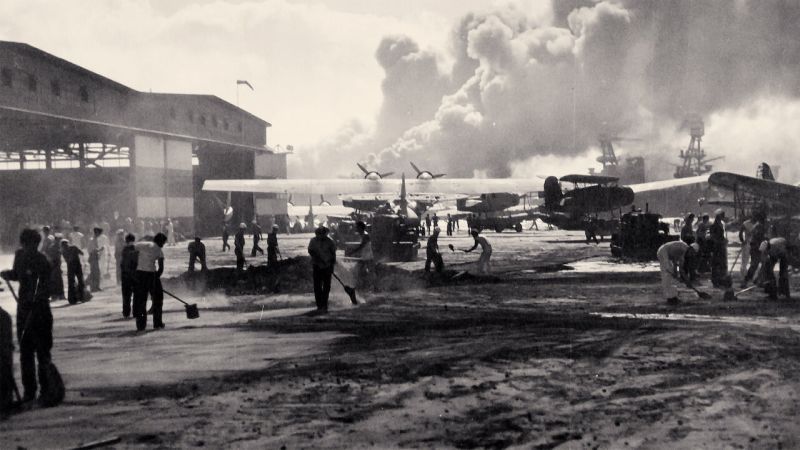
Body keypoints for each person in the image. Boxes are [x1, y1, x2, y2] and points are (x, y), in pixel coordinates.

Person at [1, 229, 53, 403]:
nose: (25, 246)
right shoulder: (21, 257)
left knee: (42, 351)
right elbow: (17, 274)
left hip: (40, 310)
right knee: (26, 352)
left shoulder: (42, 261)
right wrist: (7, 274)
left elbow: (46, 286)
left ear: (35, 244)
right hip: (24, 310)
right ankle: (30, 391)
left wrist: (35, 298)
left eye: (28, 244)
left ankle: (46, 389)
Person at [133, 233, 167, 331]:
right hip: (151, 274)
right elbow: (161, 268)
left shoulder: (141, 244)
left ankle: (141, 325)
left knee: (141, 300)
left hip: (139, 274)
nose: (163, 245)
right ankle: (157, 323)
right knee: (158, 299)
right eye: (163, 243)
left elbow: (130, 251)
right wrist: (156, 279)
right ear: (160, 241)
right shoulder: (159, 250)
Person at [307, 226, 337, 314]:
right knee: (317, 286)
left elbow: (333, 254)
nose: (321, 236)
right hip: (316, 265)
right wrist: (317, 257)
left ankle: (324, 304)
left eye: (323, 234)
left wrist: (331, 265)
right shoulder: (313, 241)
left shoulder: (330, 242)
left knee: (327, 286)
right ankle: (319, 305)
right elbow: (310, 250)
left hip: (327, 266)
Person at [742, 213, 767, 288]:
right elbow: (757, 237)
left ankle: (758, 279)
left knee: (763, 264)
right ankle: (746, 280)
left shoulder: (758, 225)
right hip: (756, 247)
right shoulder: (758, 226)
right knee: (754, 265)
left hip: (758, 247)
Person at [61, 240, 86, 305]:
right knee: (80, 281)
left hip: (71, 267)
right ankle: (81, 297)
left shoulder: (64, 251)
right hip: (77, 266)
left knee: (72, 283)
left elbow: (68, 260)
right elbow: (82, 253)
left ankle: (73, 299)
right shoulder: (74, 247)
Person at [352, 221, 375, 288]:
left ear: (360, 227)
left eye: (357, 227)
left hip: (368, 257)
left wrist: (353, 252)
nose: (356, 228)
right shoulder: (363, 235)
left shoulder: (365, 235)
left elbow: (362, 246)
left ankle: (370, 286)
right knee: (359, 271)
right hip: (365, 256)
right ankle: (364, 285)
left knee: (368, 272)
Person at [120, 234, 138, 318]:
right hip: (135, 274)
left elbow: (122, 263)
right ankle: (135, 311)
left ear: (126, 240)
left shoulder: (124, 250)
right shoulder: (137, 248)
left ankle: (126, 312)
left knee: (126, 295)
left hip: (125, 275)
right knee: (136, 294)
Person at [709, 209, 728, 288]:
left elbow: (721, 236)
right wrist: (719, 242)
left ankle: (721, 280)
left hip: (721, 246)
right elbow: (713, 237)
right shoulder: (714, 226)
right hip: (717, 247)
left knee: (722, 264)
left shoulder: (721, 224)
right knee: (716, 264)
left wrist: (724, 240)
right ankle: (715, 281)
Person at [86, 227, 105, 292]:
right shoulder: (92, 240)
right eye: (99, 233)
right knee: (94, 273)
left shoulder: (94, 240)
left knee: (96, 272)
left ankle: (95, 286)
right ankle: (93, 287)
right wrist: (100, 249)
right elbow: (93, 250)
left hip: (94, 257)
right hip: (93, 257)